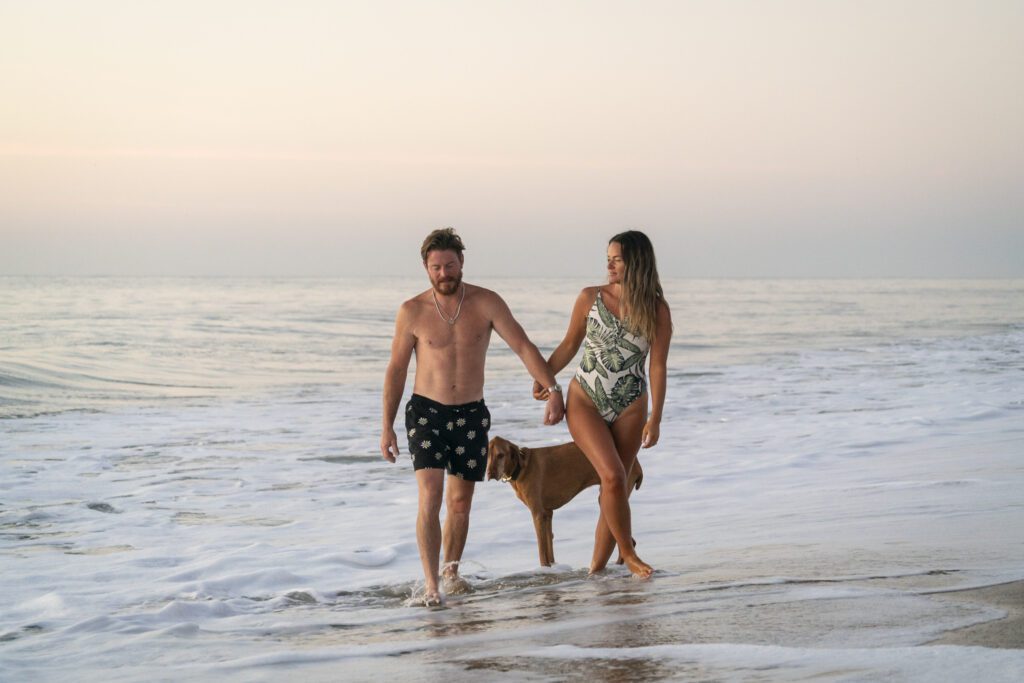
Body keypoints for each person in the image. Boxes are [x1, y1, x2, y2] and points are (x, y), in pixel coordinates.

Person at [381, 228, 565, 605]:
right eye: (436, 267)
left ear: (462, 262)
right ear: (425, 268)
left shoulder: (486, 303)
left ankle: (451, 573)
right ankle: (432, 586)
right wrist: (386, 425)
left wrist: (553, 389)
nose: (443, 273)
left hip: (470, 415)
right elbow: (396, 370)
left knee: (460, 504)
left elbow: (523, 346)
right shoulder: (412, 311)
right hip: (426, 414)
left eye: (450, 265)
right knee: (430, 498)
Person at [533, 230, 671, 578]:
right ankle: (629, 552)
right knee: (611, 476)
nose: (609, 264)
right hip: (587, 400)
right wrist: (545, 375)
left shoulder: (656, 309)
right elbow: (569, 345)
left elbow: (657, 365)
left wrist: (655, 418)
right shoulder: (590, 297)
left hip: (630, 404)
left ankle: (595, 573)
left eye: (617, 258)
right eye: (608, 258)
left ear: (635, 262)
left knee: (617, 487)